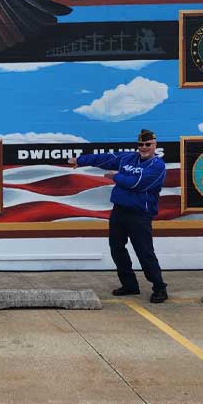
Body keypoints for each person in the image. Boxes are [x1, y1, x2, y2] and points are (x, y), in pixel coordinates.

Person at [70, 129, 168, 303]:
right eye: (140, 144)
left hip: (140, 214)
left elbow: (136, 184)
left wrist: (116, 177)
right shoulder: (128, 158)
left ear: (155, 145)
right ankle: (129, 285)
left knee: (144, 252)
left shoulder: (157, 166)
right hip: (119, 210)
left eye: (148, 144)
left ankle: (159, 287)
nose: (144, 147)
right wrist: (81, 160)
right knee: (116, 248)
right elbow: (105, 158)